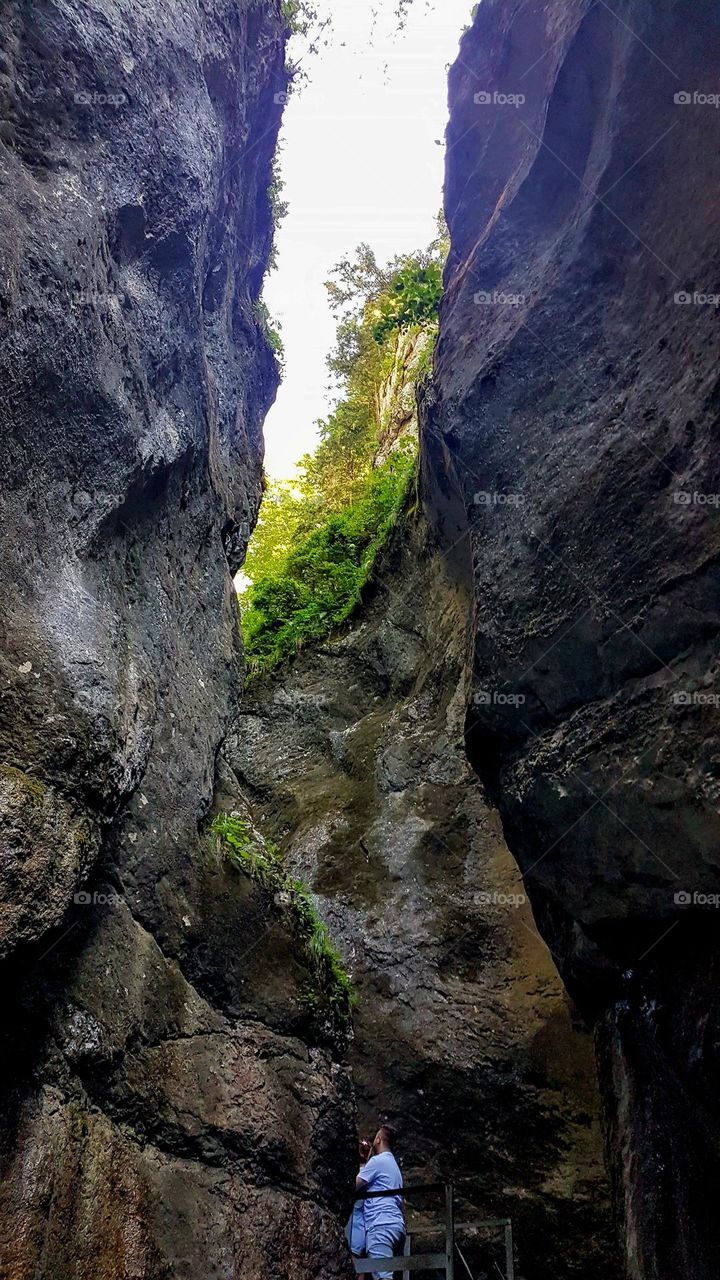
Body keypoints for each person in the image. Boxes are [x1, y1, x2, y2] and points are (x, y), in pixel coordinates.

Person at [356, 1125, 405, 1280]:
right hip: (397, 1226)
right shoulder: (394, 1167)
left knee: (383, 1277)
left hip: (381, 1225)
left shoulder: (378, 1162)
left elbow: (355, 1185)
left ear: (378, 1139)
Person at [346, 1137, 372, 1276]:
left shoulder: (363, 1174)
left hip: (355, 1227)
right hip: (359, 1226)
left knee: (356, 1267)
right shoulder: (368, 1171)